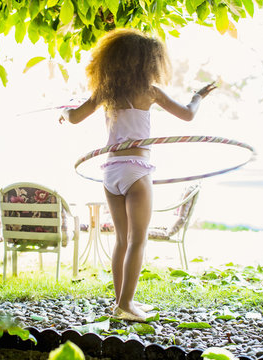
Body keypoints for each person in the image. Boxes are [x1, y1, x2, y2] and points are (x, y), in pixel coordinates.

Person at [59, 28, 216, 322]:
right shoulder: (150, 91)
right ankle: (127, 305)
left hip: (111, 172)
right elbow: (188, 114)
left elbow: (75, 117)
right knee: (137, 241)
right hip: (137, 170)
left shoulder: (105, 92)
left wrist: (64, 112)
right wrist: (197, 96)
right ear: (147, 62)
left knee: (121, 239)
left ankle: (120, 303)